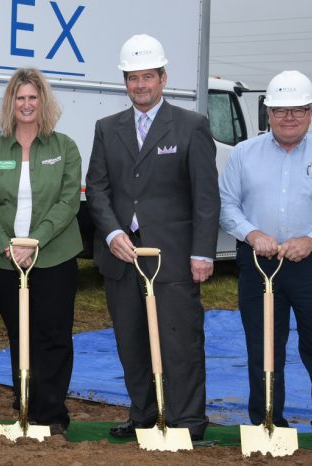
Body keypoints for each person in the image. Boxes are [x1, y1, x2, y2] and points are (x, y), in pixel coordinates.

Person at [85, 34, 219, 441]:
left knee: (179, 342)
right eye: (132, 78)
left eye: (147, 77)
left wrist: (202, 254)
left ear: (163, 78)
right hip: (123, 258)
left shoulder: (191, 125)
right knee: (131, 341)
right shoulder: (108, 128)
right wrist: (111, 233)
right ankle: (143, 416)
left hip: (174, 257)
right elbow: (98, 188)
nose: (140, 85)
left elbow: (206, 197)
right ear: (125, 82)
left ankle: (187, 422)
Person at [219, 71, 312, 454]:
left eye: (297, 110)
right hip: (259, 264)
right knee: (263, 346)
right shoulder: (244, 154)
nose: (288, 118)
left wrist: (311, 240)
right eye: (280, 110)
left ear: (311, 112)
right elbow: (227, 206)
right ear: (268, 113)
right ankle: (267, 422)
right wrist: (252, 234)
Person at [0, 68, 82, 439]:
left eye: (33, 97)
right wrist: (9, 244)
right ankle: (25, 406)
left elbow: (68, 203)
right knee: (20, 334)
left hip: (54, 257)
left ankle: (51, 414)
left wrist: (33, 241)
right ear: (10, 103)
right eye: (20, 98)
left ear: (43, 102)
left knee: (53, 335)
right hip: (5, 260)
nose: (26, 104)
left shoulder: (64, 147)